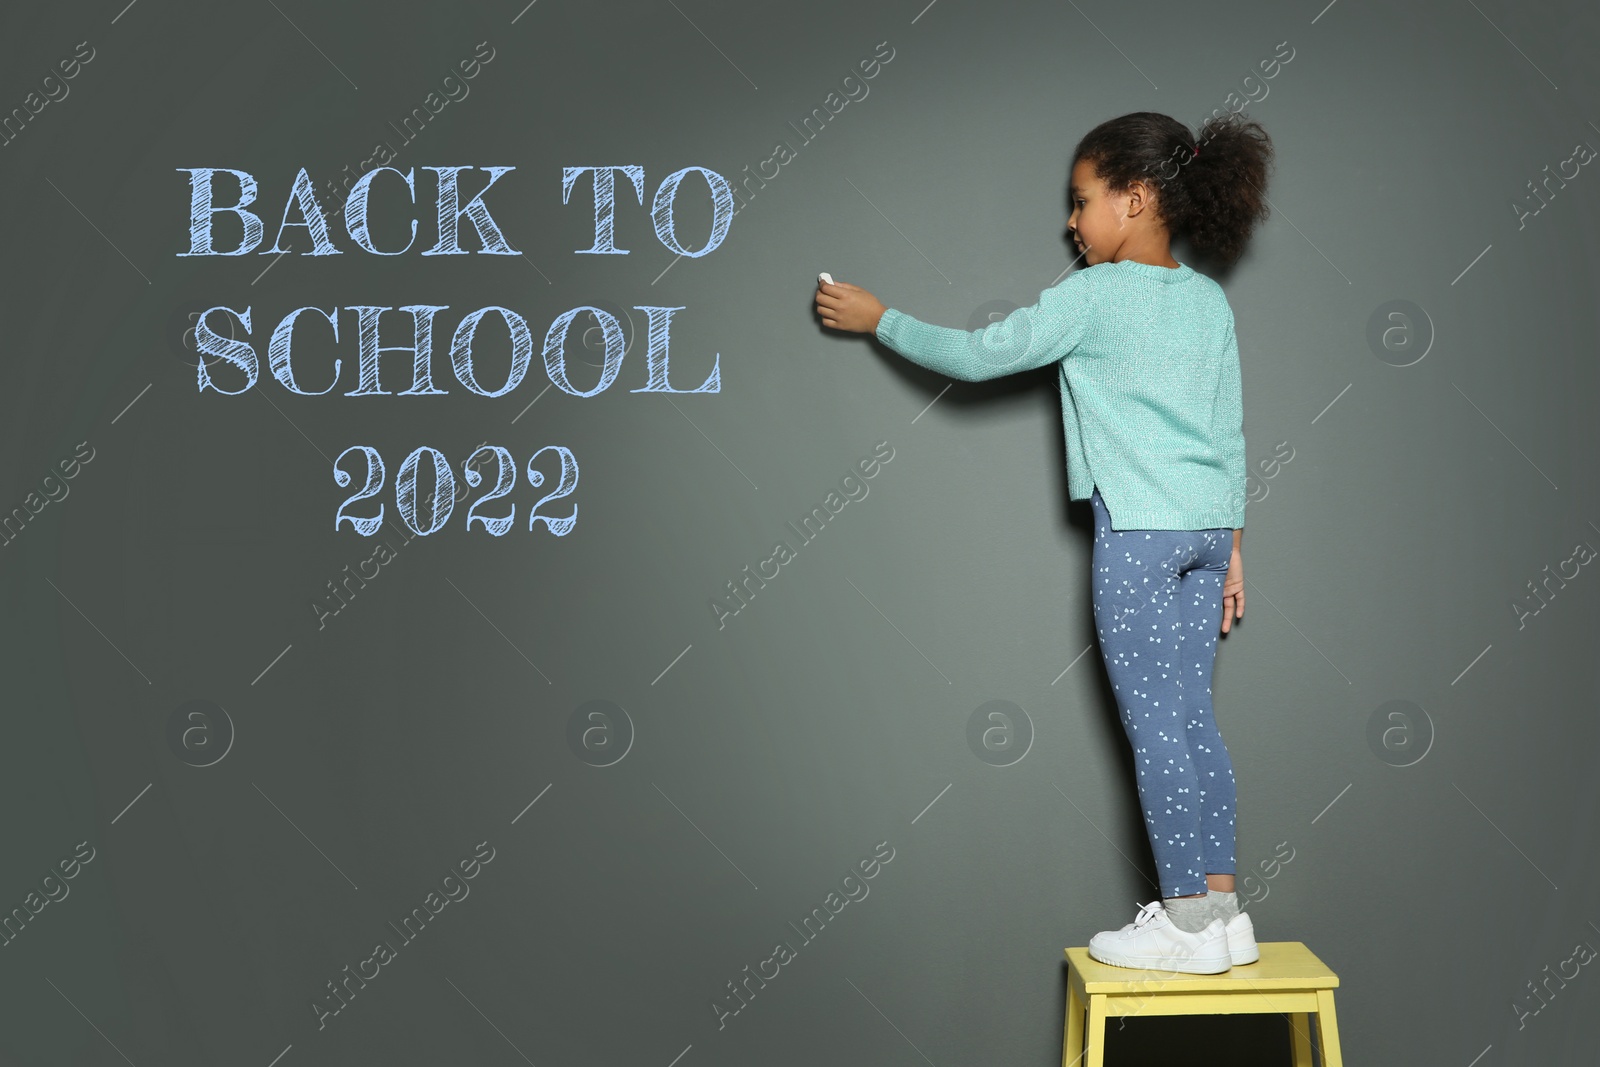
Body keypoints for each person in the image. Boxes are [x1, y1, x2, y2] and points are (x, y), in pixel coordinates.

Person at [814, 111, 1275, 974]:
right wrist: (1237, 547)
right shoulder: (1208, 302)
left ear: (1134, 200)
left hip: (1139, 534)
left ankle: (1182, 922)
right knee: (1194, 721)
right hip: (1209, 532)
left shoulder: (1092, 296)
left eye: (1082, 200)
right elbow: (1231, 428)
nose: (1071, 221)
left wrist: (883, 319)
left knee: (1155, 732)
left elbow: (980, 354)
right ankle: (1223, 910)